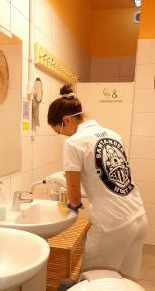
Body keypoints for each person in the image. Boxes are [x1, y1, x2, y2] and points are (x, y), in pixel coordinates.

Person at [47, 84, 147, 281]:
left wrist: (70, 205)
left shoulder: (74, 143)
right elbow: (109, 176)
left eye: (59, 131)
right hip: (139, 217)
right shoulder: (113, 134)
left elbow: (74, 198)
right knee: (125, 282)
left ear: (67, 120)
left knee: (94, 281)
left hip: (112, 225)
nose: (63, 135)